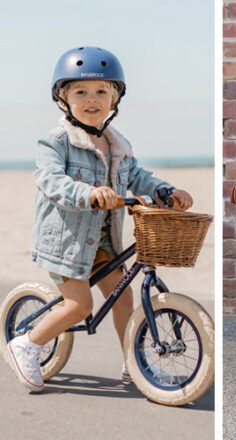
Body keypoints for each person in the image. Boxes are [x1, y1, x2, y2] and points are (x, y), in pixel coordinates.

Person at [6, 46, 193, 392]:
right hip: (66, 244)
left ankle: (132, 362)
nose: (92, 100)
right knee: (79, 305)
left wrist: (168, 190)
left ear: (114, 99)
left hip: (105, 244)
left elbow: (140, 177)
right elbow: (50, 180)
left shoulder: (117, 145)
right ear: (63, 99)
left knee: (124, 298)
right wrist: (87, 193)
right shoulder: (55, 141)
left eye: (102, 92)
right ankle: (26, 345)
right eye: (80, 92)